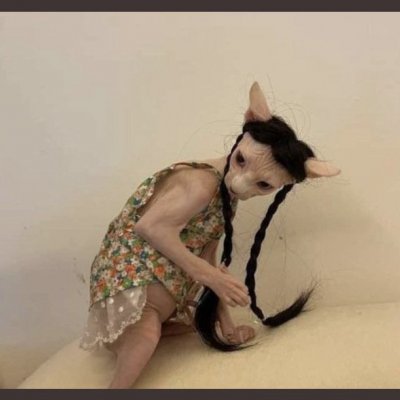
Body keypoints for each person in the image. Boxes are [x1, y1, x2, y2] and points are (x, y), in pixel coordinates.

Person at [80, 82, 341, 388]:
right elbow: (149, 228)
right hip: (127, 294)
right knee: (145, 337)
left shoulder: (225, 195)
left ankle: (162, 325)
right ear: (244, 132)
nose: (240, 184)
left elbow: (208, 261)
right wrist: (212, 278)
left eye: (264, 185)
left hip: (158, 300)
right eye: (241, 160)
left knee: (176, 315)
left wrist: (227, 325)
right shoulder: (203, 183)